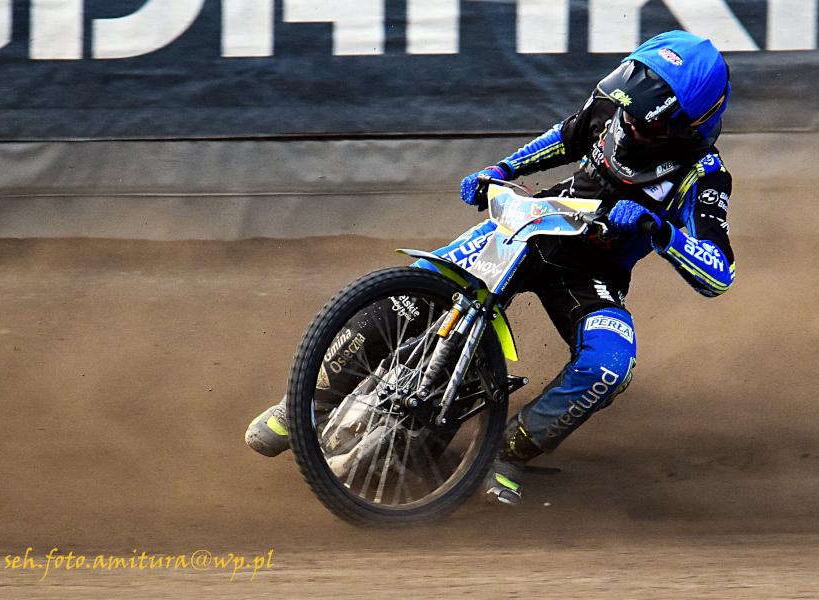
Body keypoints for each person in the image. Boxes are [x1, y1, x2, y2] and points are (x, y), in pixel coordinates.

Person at [245, 30, 736, 506]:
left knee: (610, 364)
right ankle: (308, 403)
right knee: (415, 291)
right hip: (534, 224)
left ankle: (508, 452)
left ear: (688, 125)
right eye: (627, 108)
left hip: (592, 274)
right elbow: (565, 137)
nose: (629, 124)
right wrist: (500, 170)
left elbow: (719, 273)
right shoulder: (614, 109)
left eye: (646, 122)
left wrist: (661, 231)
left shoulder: (705, 175)